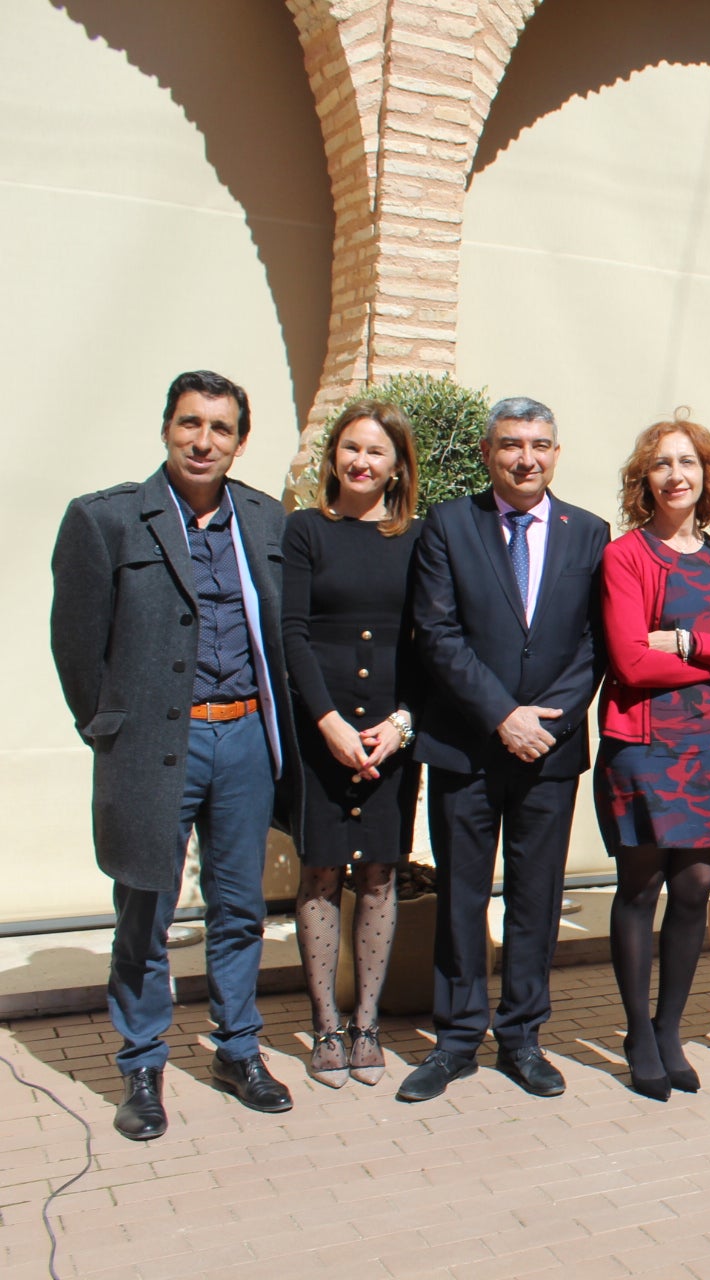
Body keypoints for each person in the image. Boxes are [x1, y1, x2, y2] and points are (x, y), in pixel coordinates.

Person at [51, 370, 298, 1140]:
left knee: (240, 907)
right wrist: (110, 728)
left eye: (220, 429)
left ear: (240, 442)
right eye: (190, 423)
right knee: (145, 907)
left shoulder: (265, 518)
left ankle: (238, 1050)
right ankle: (141, 1063)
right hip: (159, 742)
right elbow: (76, 644)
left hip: (245, 736)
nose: (203, 441)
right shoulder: (108, 519)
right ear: (167, 428)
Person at [398, 397, 609, 1103]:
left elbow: (595, 641)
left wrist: (544, 722)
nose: (527, 458)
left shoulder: (589, 533)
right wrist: (501, 716)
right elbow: (437, 633)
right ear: (489, 453)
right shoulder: (448, 525)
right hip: (464, 746)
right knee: (461, 896)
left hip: (549, 750)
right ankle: (456, 1040)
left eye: (540, 445)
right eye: (512, 444)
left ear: (556, 453)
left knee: (536, 898)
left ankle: (522, 1036)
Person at [597, 416, 710, 1098]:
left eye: (689, 462)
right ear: (645, 479)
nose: (677, 475)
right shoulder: (626, 556)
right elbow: (630, 663)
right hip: (643, 746)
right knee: (641, 890)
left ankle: (669, 1030)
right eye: (663, 464)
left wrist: (686, 643)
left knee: (695, 889)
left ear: (707, 475)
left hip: (709, 747)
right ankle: (637, 1034)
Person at [281, 400, 422, 1088]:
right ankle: (325, 1028)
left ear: (397, 467)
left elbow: (431, 639)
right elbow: (292, 632)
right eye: (351, 448)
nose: (361, 462)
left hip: (391, 735)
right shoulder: (305, 530)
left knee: (379, 875)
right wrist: (328, 722)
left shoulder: (419, 537)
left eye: (376, 452)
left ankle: (366, 1025)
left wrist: (403, 723)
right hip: (324, 732)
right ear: (333, 456)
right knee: (320, 874)